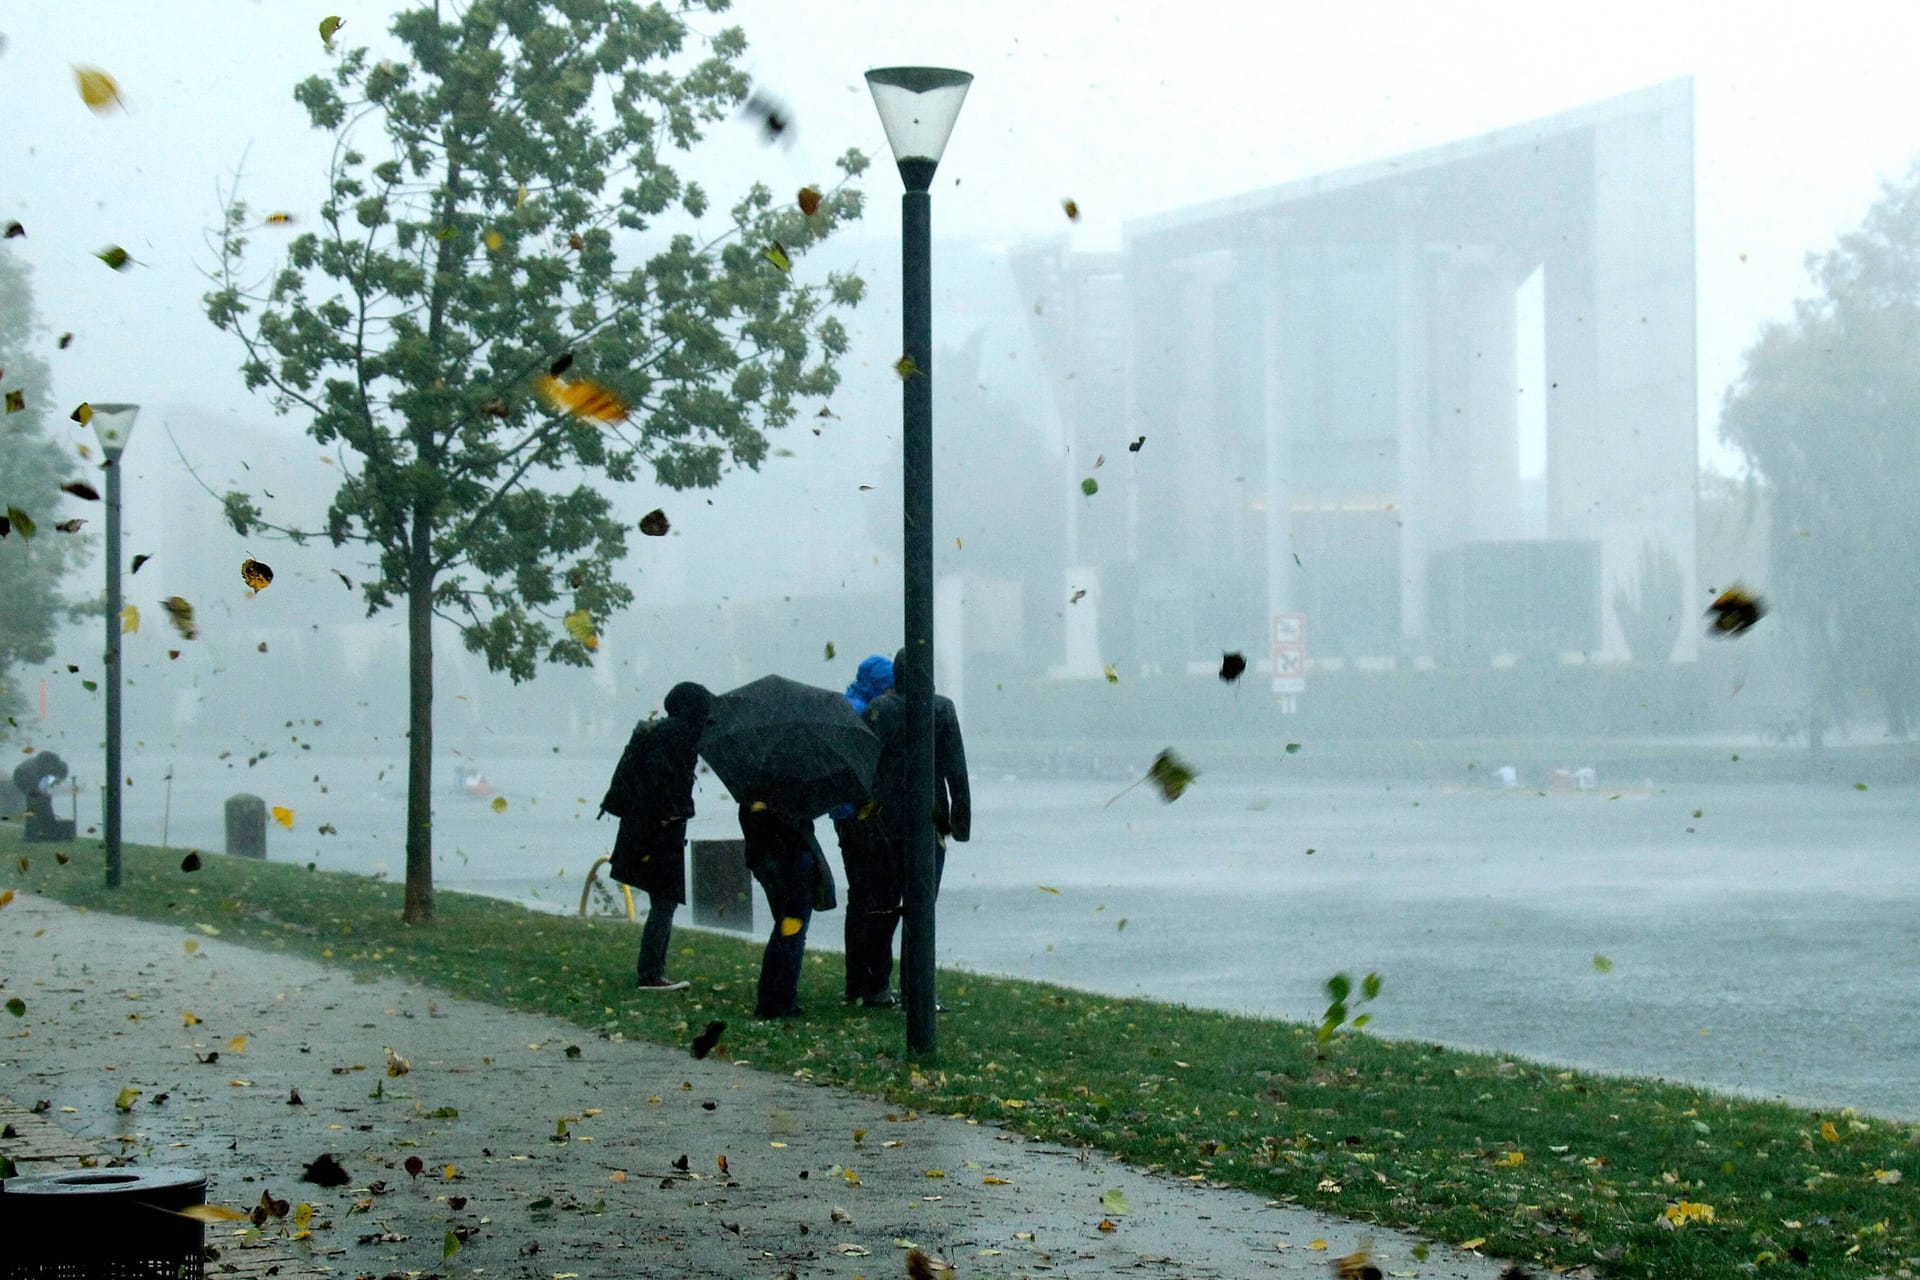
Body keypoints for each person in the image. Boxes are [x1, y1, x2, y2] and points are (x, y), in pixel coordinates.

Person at [857, 649, 971, 1009]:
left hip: (883, 820)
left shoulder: (879, 709)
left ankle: (876, 987)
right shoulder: (941, 709)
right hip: (928, 820)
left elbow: (863, 764)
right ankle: (917, 992)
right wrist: (960, 823)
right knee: (921, 910)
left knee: (883, 906)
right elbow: (956, 770)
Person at [601, 682, 712, 991]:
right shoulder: (677, 735)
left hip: (644, 829)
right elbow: (659, 780)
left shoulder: (657, 732)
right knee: (665, 899)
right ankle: (651, 973)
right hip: (660, 831)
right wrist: (672, 811)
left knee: (664, 899)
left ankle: (652, 970)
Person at [832, 654, 894, 1004]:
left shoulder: (848, 705)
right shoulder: (863, 714)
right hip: (859, 817)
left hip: (845, 817)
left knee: (859, 898)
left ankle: (856, 981)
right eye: (886, 686)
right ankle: (869, 982)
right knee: (871, 898)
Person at [739, 801, 826, 1019]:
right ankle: (781, 1000)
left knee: (784, 928)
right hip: (791, 858)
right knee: (792, 932)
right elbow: (793, 821)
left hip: (768, 860)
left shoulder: (752, 791)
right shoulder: (789, 790)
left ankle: (771, 998)